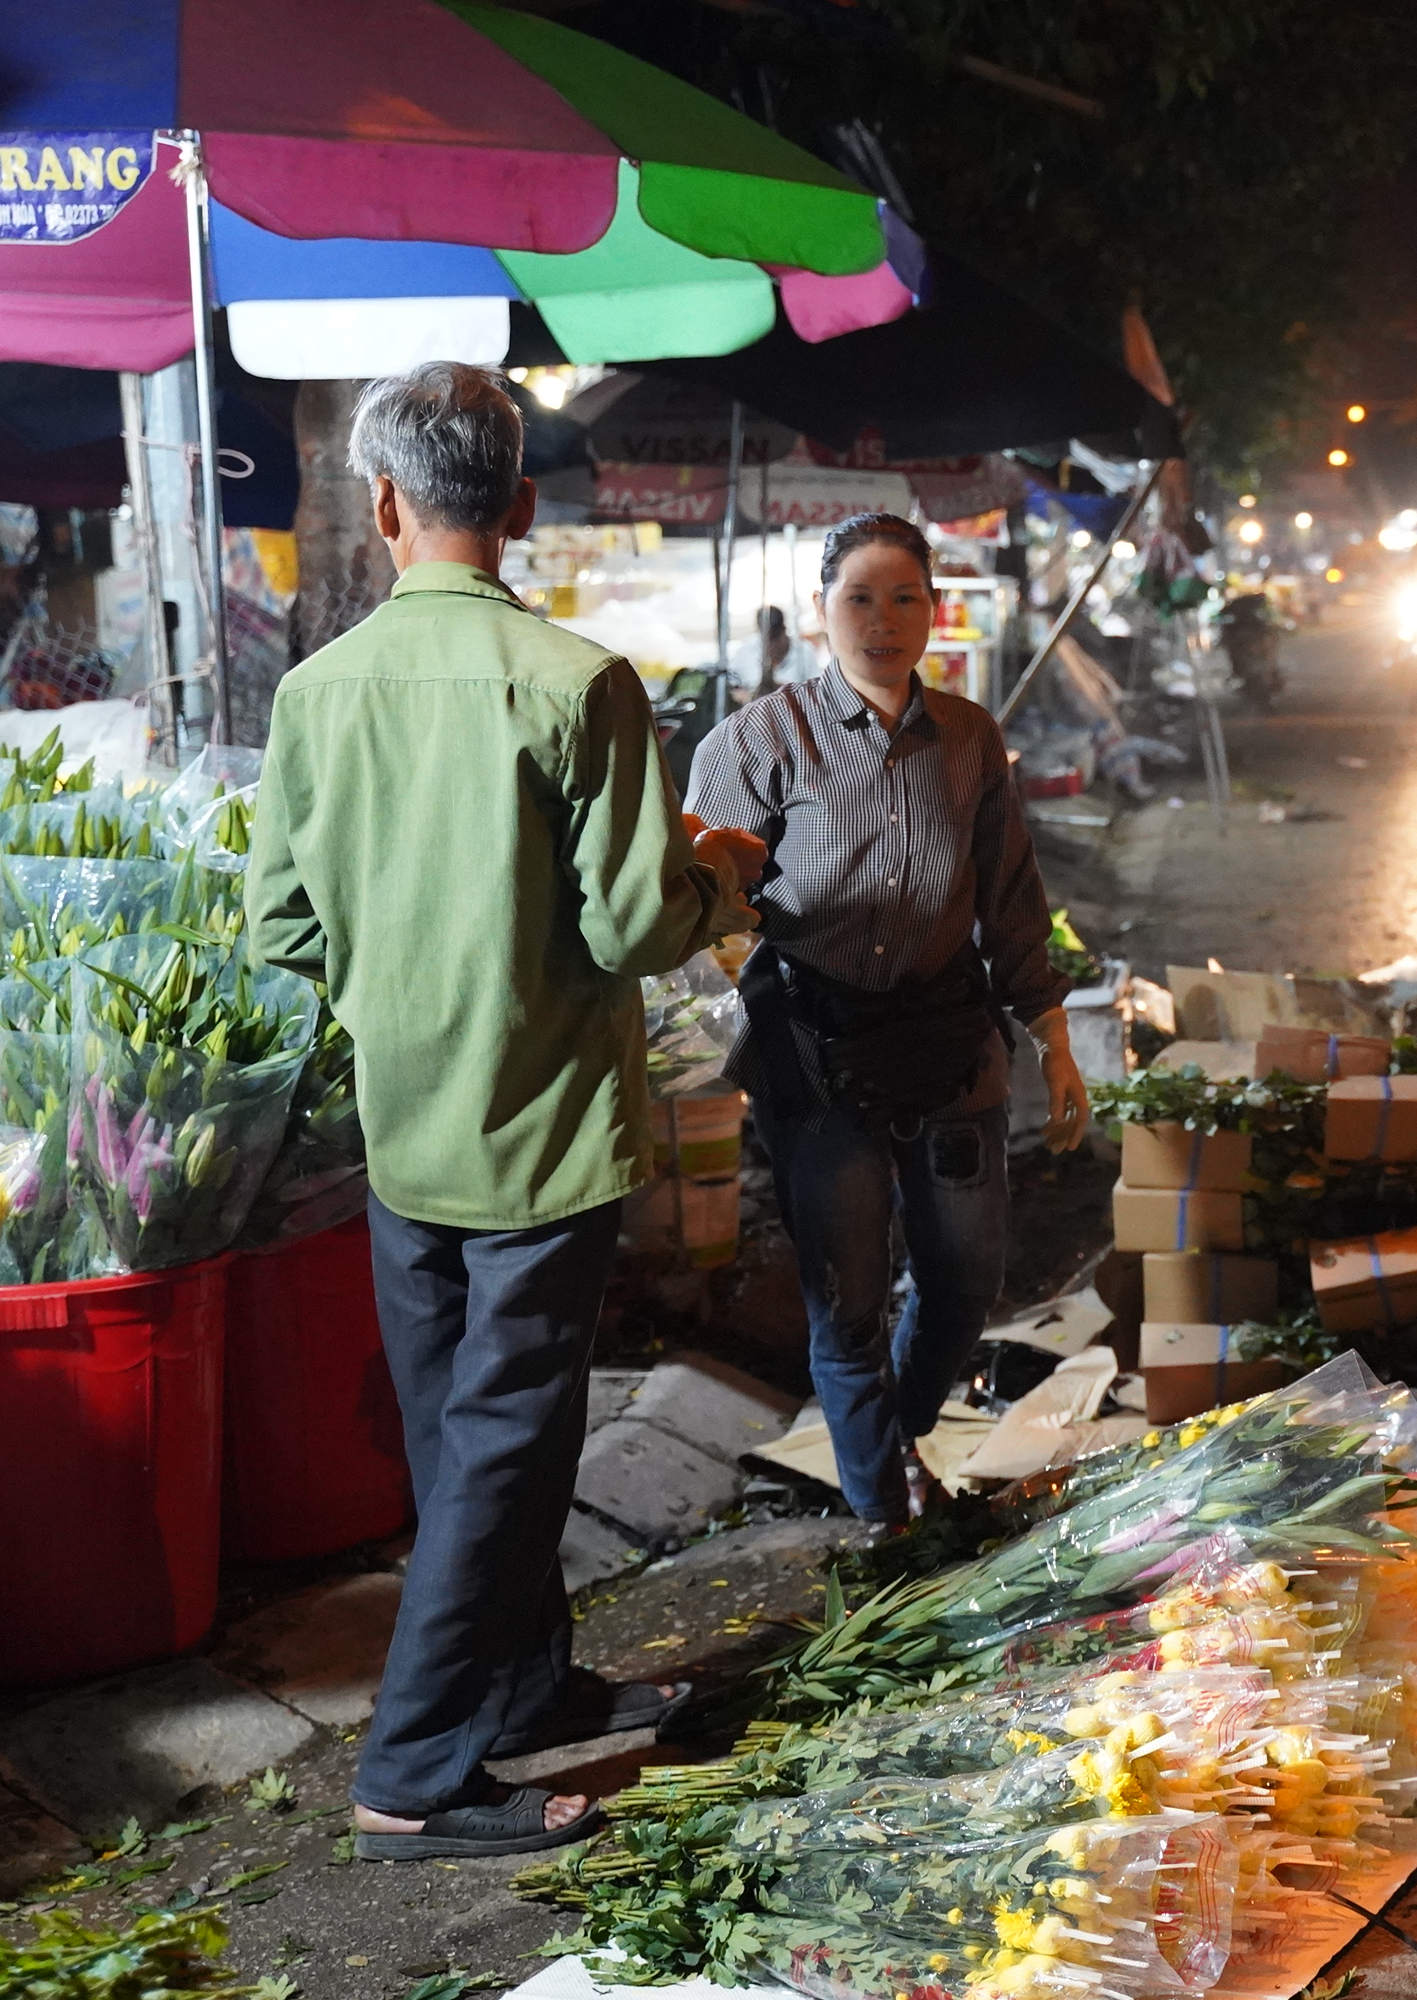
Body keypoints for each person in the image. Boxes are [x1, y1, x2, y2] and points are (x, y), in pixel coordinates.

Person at [248, 363, 766, 1863]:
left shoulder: (313, 693)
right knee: (507, 1450)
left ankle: (526, 1689)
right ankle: (413, 1769)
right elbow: (632, 928)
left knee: (454, 1444)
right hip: (542, 1134)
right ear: (522, 505)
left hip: (403, 1132)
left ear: (386, 505)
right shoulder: (582, 685)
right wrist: (719, 869)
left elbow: (281, 929)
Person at [687, 512, 1091, 1528]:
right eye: (858, 597)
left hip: (952, 1046)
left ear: (933, 608)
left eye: (904, 596)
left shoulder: (967, 737)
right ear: (820, 610)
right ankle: (884, 1517)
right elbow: (694, 906)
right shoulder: (756, 742)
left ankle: (896, 1434)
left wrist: (1053, 1031)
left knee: (962, 1278)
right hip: (816, 1062)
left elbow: (1010, 899)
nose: (882, 620)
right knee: (849, 1300)